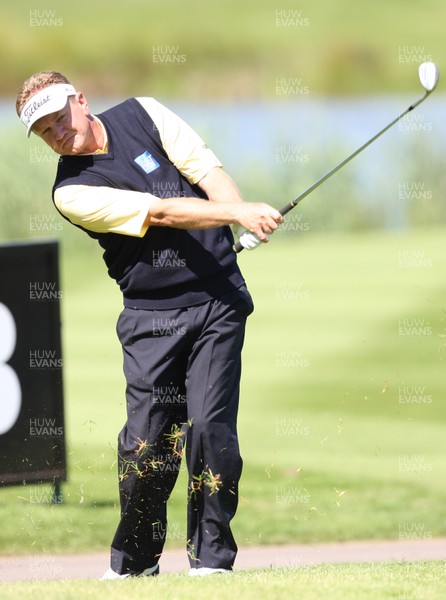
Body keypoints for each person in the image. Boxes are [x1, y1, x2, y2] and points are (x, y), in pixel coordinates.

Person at [16, 71, 283, 579]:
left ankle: (211, 562)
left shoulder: (146, 112)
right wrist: (238, 214)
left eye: (59, 119)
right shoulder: (71, 191)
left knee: (209, 429)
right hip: (151, 318)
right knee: (147, 442)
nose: (57, 134)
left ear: (81, 100)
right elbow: (159, 212)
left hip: (217, 301)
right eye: (46, 132)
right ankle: (136, 563)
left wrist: (235, 214)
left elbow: (205, 169)